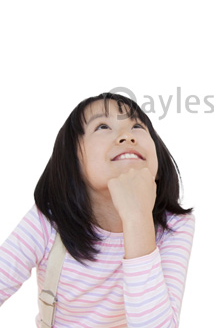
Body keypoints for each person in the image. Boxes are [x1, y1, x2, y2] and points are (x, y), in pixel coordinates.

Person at [0, 92, 195, 327]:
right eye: (103, 126)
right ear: (72, 160)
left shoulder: (174, 226)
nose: (127, 136)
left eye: (137, 126)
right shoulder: (47, 223)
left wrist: (137, 218)